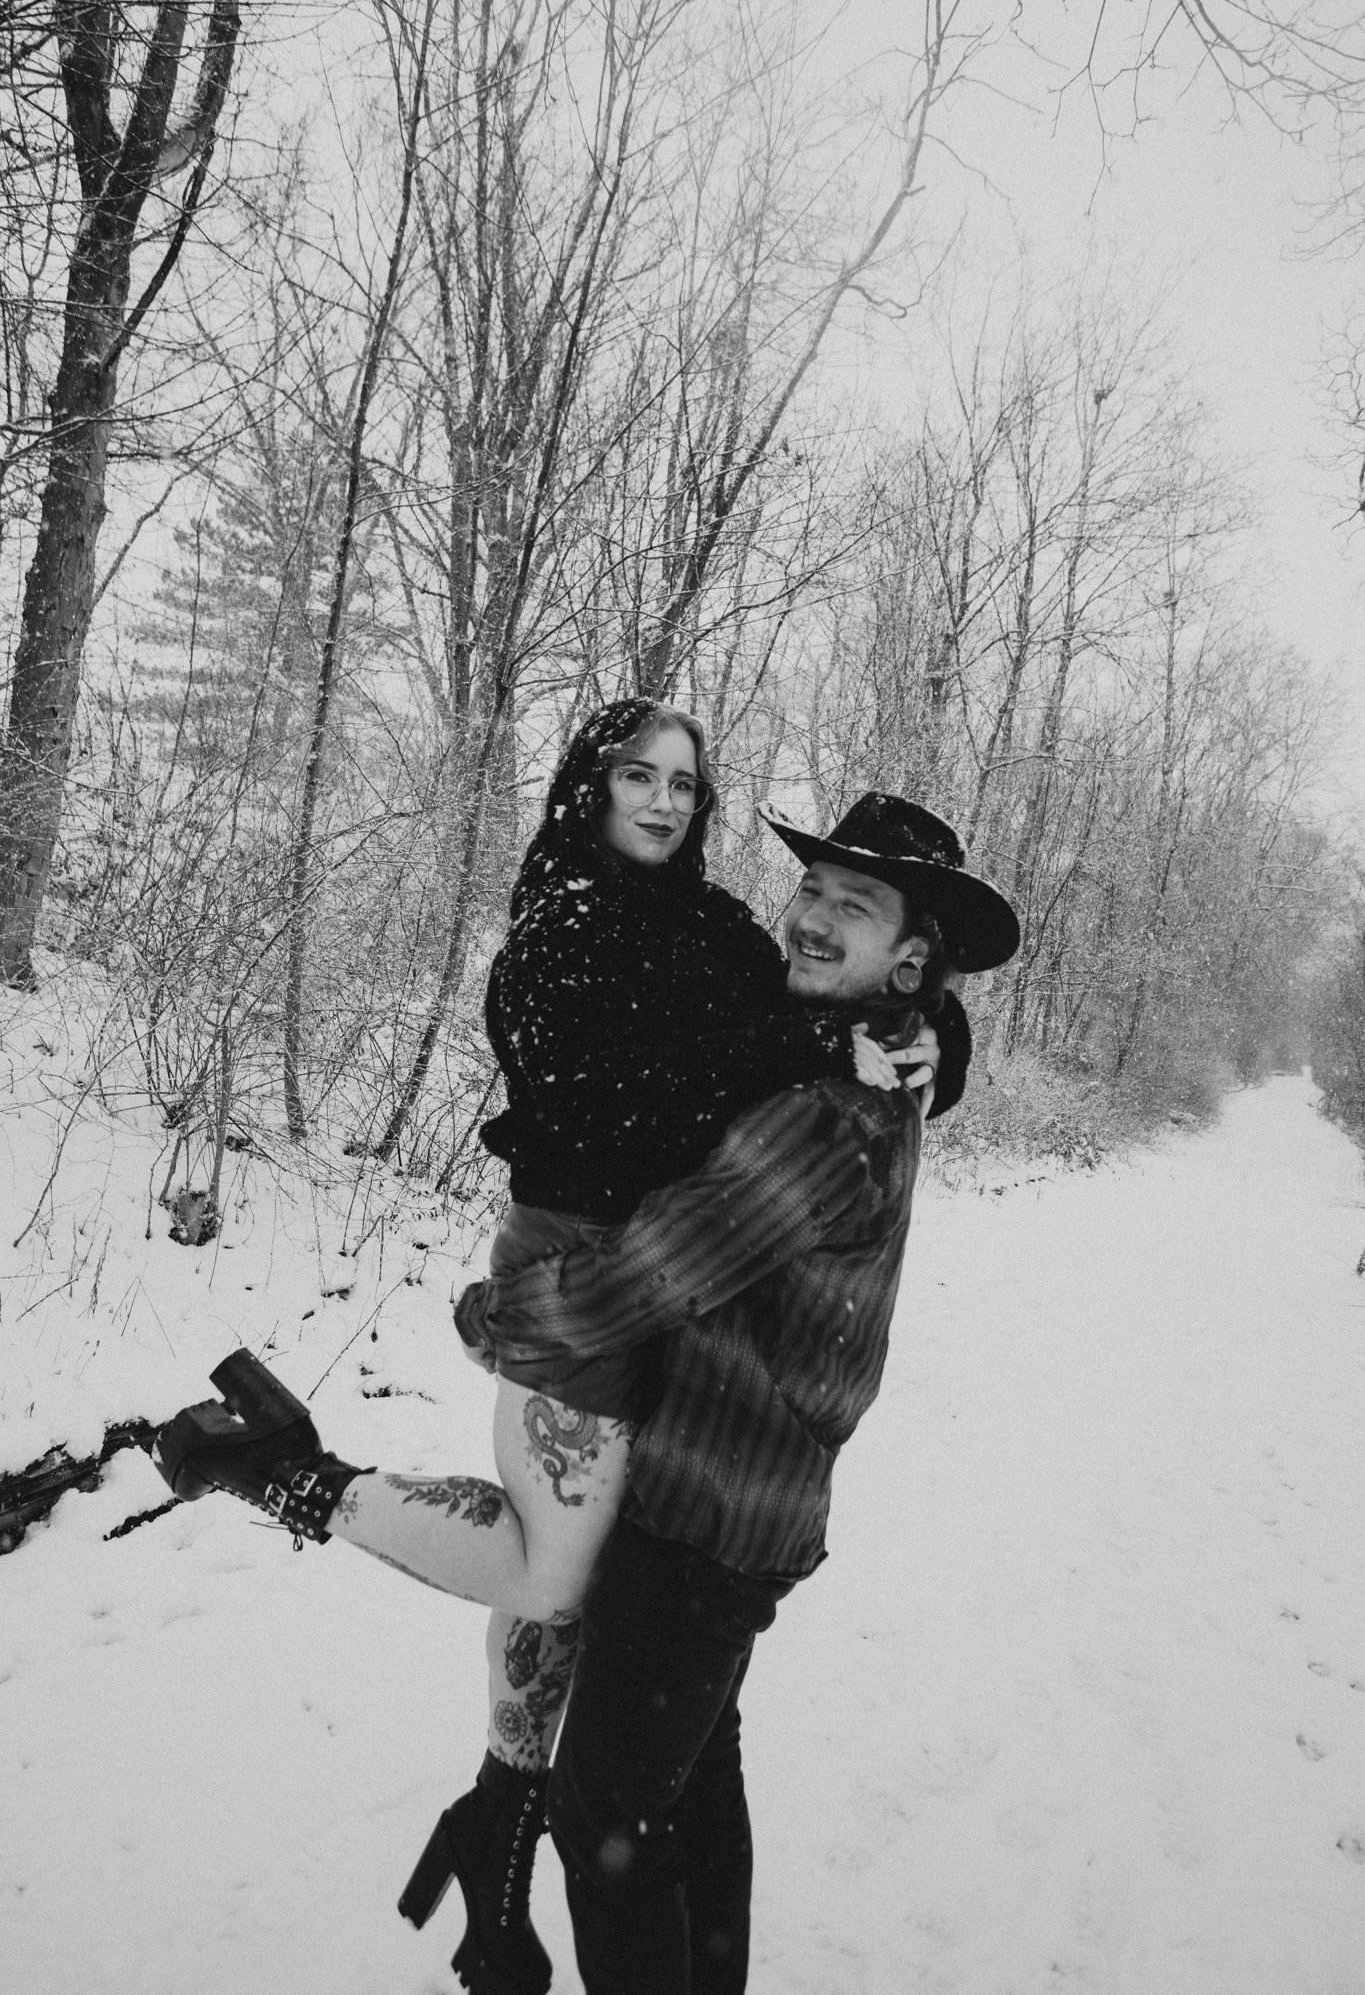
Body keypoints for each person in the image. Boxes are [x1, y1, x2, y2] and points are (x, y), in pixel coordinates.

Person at [150, 704, 970, 1995]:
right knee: (565, 1591)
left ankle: (495, 1831)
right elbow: (636, 1101)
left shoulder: (727, 940)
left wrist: (933, 1038)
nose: (659, 801)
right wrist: (838, 1038)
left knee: (621, 1673)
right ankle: (300, 1488)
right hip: (581, 1283)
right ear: (585, 786)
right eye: (634, 775)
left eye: (684, 783)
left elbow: (782, 1066)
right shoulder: (561, 932)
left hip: (668, 1347)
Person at [454, 791, 1020, 1994]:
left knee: (602, 1821)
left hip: (704, 1522)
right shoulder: (856, 1052)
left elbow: (655, 1271)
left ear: (909, 956)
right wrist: (940, 1037)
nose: (810, 917)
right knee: (695, 1782)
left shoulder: (826, 1117)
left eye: (851, 905)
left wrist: (501, 1315)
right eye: (810, 889)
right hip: (744, 1504)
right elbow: (717, 1022)